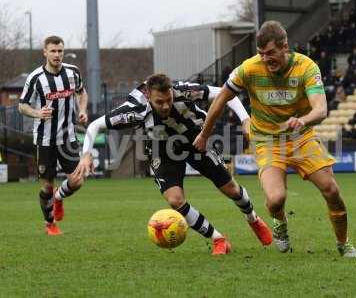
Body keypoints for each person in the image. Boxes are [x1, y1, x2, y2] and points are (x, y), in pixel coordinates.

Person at [193, 21, 356, 258]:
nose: (265, 59)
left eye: (270, 53)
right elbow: (221, 98)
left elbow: (320, 109)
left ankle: (343, 243)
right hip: (267, 141)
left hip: (301, 137)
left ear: (285, 47)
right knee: (275, 199)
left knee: (331, 189)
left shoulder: (306, 67)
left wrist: (304, 120)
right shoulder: (249, 69)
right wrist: (204, 133)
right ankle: (279, 223)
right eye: (261, 54)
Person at [74, 74, 273, 255]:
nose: (165, 106)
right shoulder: (134, 110)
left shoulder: (184, 91)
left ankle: (253, 219)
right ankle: (218, 239)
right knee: (175, 200)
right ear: (149, 97)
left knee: (231, 189)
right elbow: (94, 125)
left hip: (196, 139)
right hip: (163, 150)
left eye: (168, 100)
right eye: (159, 102)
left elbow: (227, 94)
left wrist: (246, 119)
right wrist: (86, 155)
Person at [19, 36, 87, 236]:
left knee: (78, 180)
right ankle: (50, 224)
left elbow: (82, 93)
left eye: (60, 51)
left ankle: (59, 197)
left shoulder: (73, 72)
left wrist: (82, 110)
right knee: (47, 186)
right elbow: (22, 105)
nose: (57, 55)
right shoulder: (35, 78)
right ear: (45, 52)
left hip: (68, 137)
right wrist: (37, 113)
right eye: (53, 51)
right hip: (45, 139)